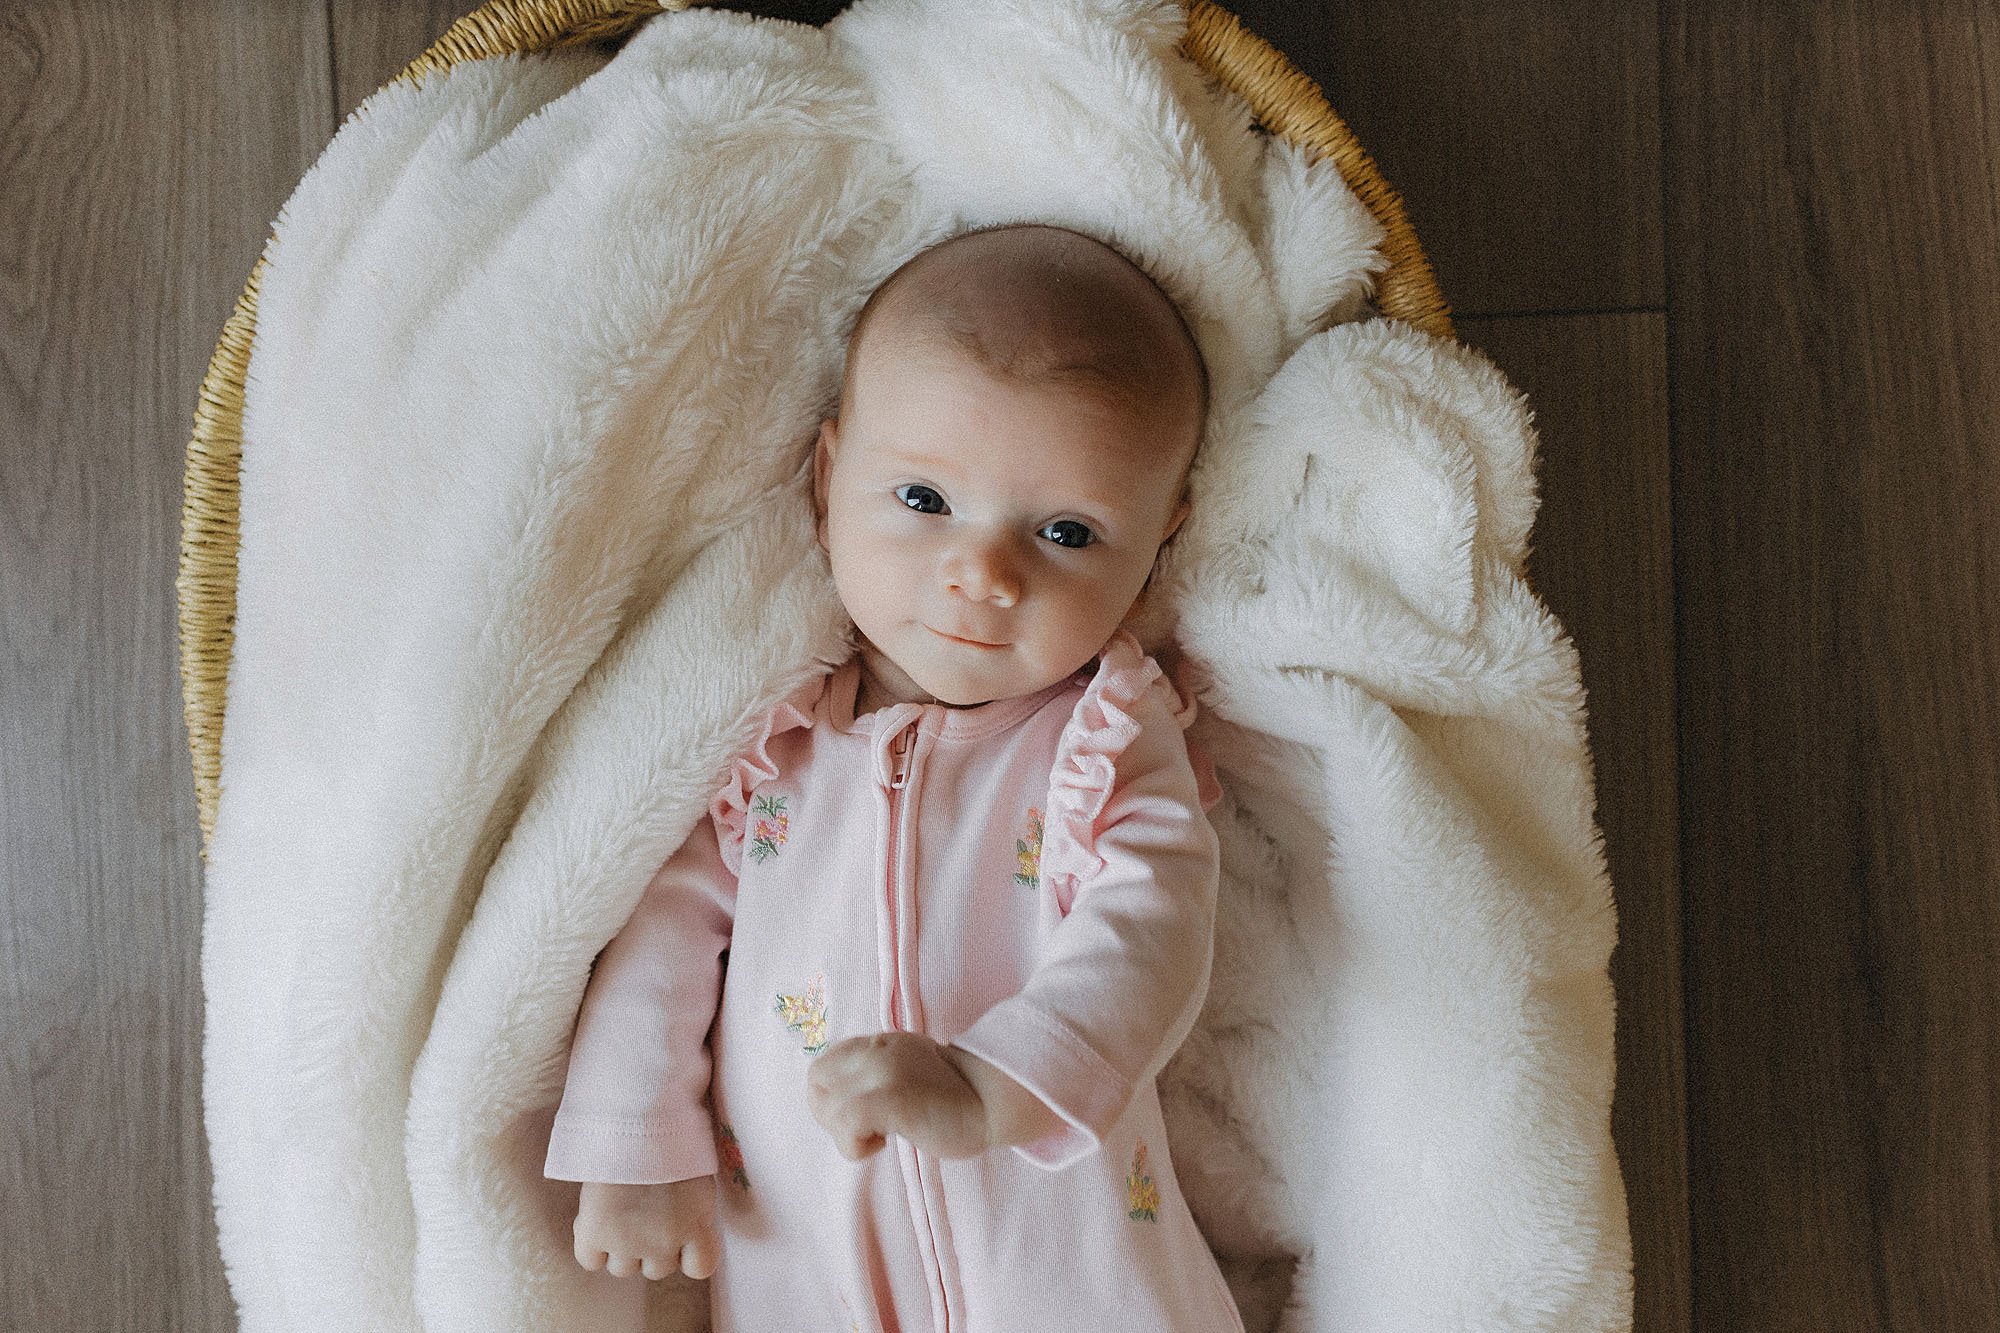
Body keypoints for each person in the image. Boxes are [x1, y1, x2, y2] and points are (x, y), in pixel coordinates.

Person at [544, 222, 1243, 1331]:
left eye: (1065, 532)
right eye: (923, 501)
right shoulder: (772, 746)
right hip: (799, 1266)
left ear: (1158, 542)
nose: (982, 574)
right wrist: (635, 1150)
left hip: (1069, 1270)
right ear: (827, 484)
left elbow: (1151, 929)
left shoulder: (1102, 740)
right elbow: (666, 941)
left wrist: (994, 1084)